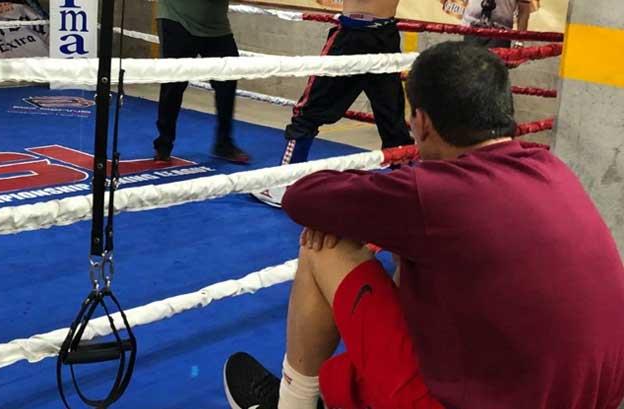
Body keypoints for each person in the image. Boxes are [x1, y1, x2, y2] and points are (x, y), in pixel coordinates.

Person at [224, 42, 624, 409]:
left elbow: (302, 198)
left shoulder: (435, 193)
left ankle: (291, 403)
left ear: (423, 123)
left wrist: (400, 192)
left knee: (324, 246)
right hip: (596, 396)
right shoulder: (551, 168)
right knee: (416, 260)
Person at [252, 0, 412, 207]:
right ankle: (409, 186)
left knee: (308, 113)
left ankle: (285, 185)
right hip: (384, 35)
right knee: (392, 117)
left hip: (354, 36)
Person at [153, 0, 250, 164]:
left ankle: (224, 144)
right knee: (173, 84)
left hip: (216, 27)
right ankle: (163, 146)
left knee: (227, 81)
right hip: (177, 19)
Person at [462, 0, 533, 48]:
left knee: (494, 69)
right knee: (469, 67)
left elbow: (524, 9)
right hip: (471, 29)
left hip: (501, 33)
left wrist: (519, 41)